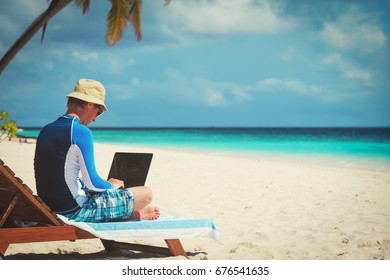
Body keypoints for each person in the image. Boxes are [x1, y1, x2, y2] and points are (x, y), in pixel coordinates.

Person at [34, 78, 159, 222]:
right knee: (146, 193)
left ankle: (126, 210)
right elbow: (93, 184)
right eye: (98, 112)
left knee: (91, 183)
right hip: (75, 211)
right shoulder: (80, 131)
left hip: (51, 205)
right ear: (89, 104)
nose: (95, 119)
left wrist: (101, 184)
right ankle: (133, 214)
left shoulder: (46, 129)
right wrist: (112, 185)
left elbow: (54, 175)